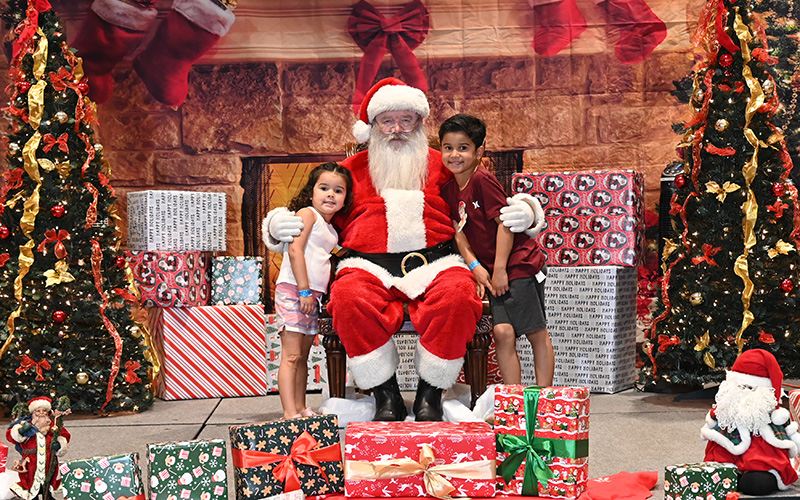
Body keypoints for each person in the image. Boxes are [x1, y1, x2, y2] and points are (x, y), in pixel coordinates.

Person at [263, 77, 543, 421]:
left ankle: (430, 394)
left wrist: (527, 211)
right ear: (373, 125)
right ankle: (386, 395)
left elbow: (484, 196)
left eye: (406, 120)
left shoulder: (446, 163)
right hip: (367, 265)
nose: (397, 129)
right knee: (348, 298)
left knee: (457, 296)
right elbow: (319, 207)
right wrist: (279, 224)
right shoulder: (351, 171)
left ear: (420, 123)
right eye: (387, 120)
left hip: (437, 261)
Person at [439, 114, 554, 386]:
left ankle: (544, 398)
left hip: (517, 264)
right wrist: (475, 267)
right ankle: (513, 400)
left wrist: (500, 269)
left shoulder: (483, 180)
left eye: (463, 147)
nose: (454, 154)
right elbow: (459, 234)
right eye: (448, 147)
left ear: (479, 151)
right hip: (490, 270)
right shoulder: (449, 189)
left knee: (535, 333)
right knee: (502, 333)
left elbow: (505, 225)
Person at [274, 162, 353, 420]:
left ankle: (301, 407)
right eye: (324, 188)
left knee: (304, 356)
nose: (331, 194)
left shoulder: (330, 228)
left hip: (312, 295)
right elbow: (295, 250)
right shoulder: (307, 213)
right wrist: (304, 291)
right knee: (291, 355)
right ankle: (289, 412)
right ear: (312, 192)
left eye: (338, 191)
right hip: (296, 290)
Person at [701, 349, 800, 495]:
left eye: (750, 388)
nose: (744, 392)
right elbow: (710, 423)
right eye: (740, 386)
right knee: (717, 478)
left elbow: (793, 435)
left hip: (763, 460)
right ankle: (733, 474)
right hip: (727, 455)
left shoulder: (776, 416)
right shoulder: (726, 410)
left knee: (756, 484)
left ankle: (755, 477)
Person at [6, 397, 71, 500]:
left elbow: (65, 435)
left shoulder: (52, 425)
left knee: (48, 479)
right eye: (38, 411)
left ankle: (48, 495)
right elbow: (10, 436)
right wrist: (21, 431)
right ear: (33, 413)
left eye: (44, 411)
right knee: (30, 480)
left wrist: (59, 444)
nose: (41, 413)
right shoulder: (25, 424)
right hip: (30, 460)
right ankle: (33, 497)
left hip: (49, 459)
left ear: (48, 412)